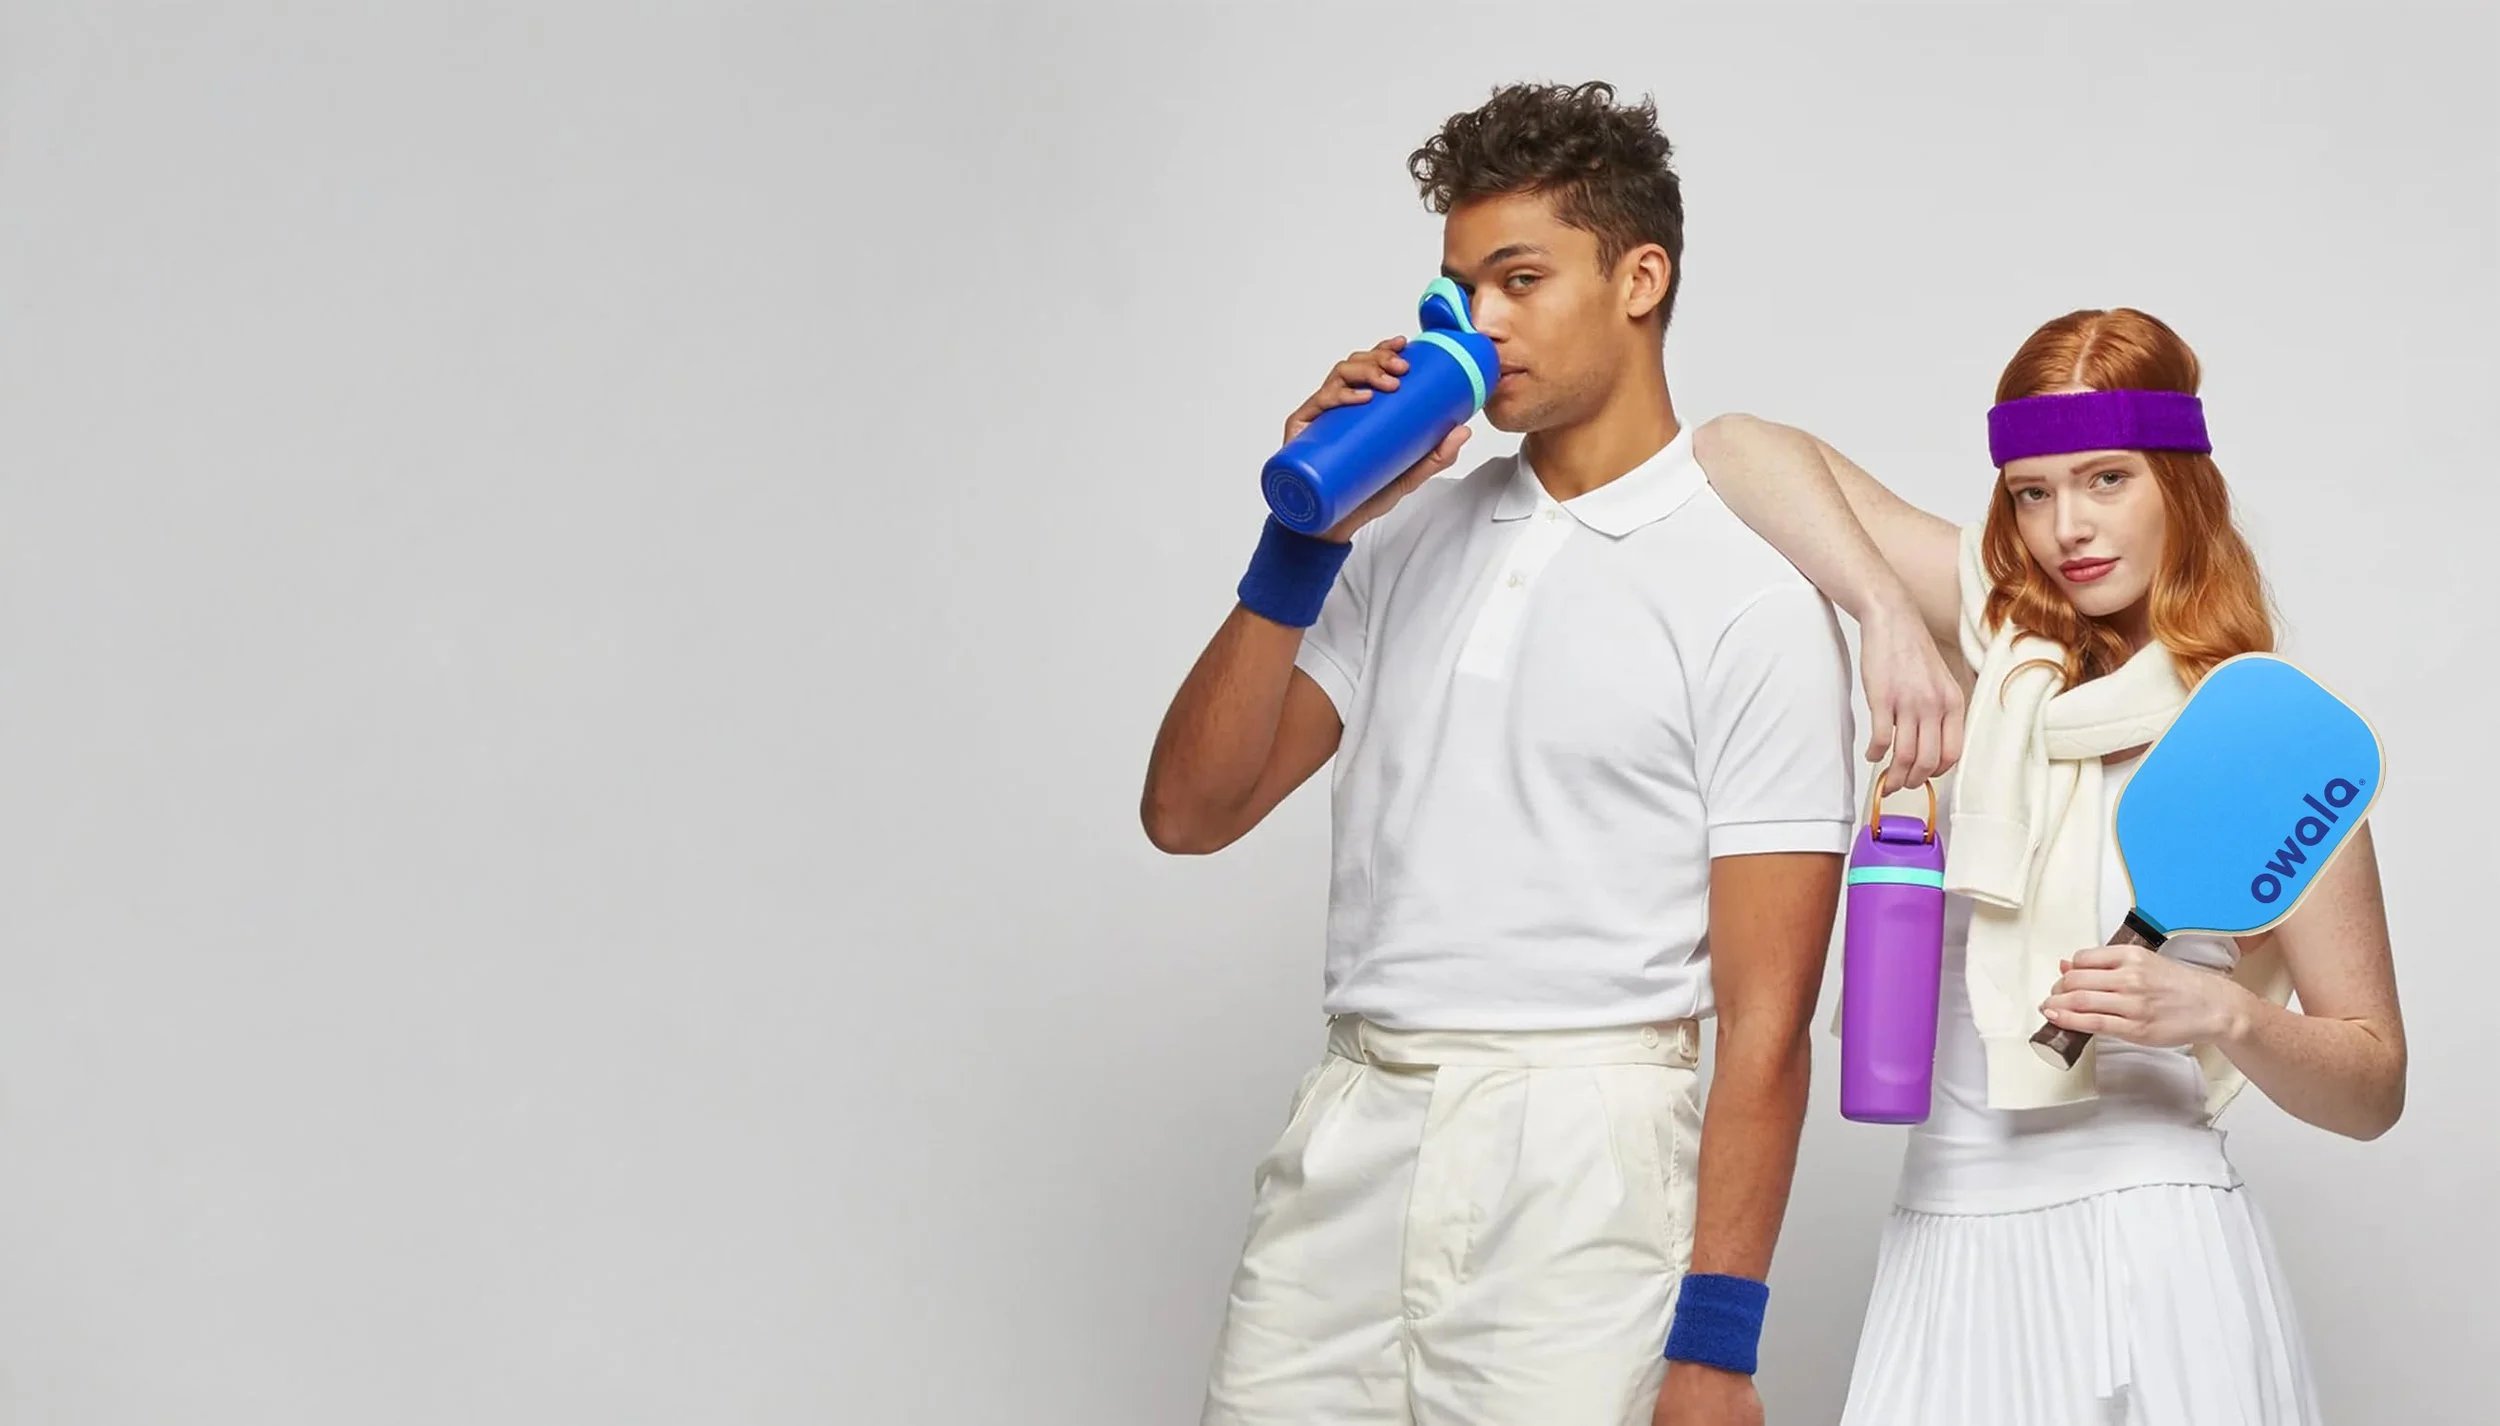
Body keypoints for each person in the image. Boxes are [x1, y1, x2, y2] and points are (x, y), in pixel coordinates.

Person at [1140, 81, 1961, 1426]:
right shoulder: (1399, 536)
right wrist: (1306, 538)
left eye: (1521, 279)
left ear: (1643, 278)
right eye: (1462, 291)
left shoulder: (1751, 586)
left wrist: (1720, 1341)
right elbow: (1189, 808)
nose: (1484, 324)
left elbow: (1769, 1018)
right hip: (1354, 1117)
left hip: (1585, 1153)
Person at [1690, 306, 2407, 1424]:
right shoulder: (1984, 649)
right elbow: (1733, 444)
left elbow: (2372, 1084)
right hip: (1948, 1232)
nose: (2065, 525)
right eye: (2030, 490)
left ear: (2181, 483)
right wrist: (1883, 611)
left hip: (2158, 1244)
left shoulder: (2268, 742)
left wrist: (2221, 1012)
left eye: (2106, 478)